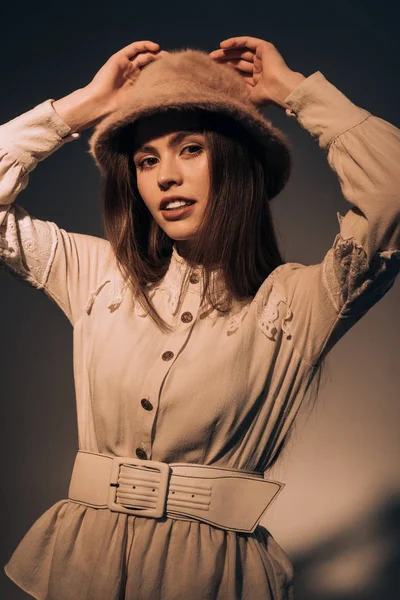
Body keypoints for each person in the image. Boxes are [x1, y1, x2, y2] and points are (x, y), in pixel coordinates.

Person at [1, 36, 399, 600]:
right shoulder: (98, 276)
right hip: (82, 570)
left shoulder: (295, 304)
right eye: (146, 159)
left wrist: (296, 93)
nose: (165, 176)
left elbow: (395, 192)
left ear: (234, 162)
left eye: (190, 149)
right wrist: (81, 108)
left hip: (213, 579)